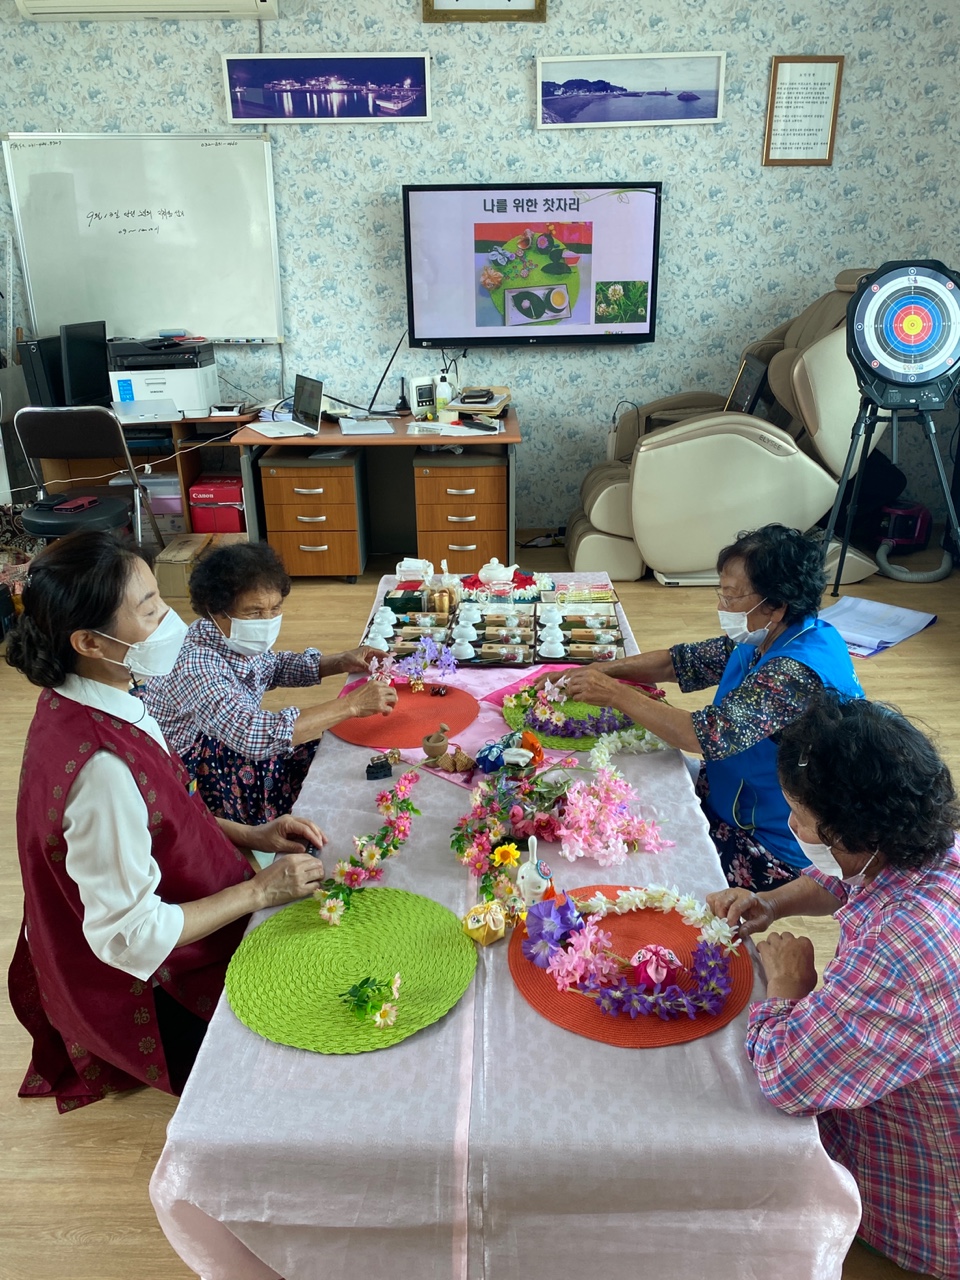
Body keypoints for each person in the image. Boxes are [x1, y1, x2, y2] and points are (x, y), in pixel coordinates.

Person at [6, 531, 328, 1111]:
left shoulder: (106, 694)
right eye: (149, 608)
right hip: (149, 982)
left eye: (160, 598)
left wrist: (249, 834)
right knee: (301, 1059)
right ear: (90, 641)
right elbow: (131, 938)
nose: (171, 620)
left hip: (186, 898)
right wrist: (258, 889)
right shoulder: (99, 769)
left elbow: (169, 801)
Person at [707, 694, 960, 1280]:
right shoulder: (923, 845)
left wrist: (789, 986)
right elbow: (843, 878)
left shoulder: (901, 952)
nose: (791, 824)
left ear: (846, 827)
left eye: (797, 813)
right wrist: (770, 902)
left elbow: (786, 1078)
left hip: (926, 1204)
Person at [542, 524, 862, 890]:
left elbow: (703, 736)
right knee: (621, 790)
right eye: (721, 592)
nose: (720, 606)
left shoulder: (792, 673)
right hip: (732, 791)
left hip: (771, 838)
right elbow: (679, 663)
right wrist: (598, 669)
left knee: (630, 860)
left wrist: (614, 693)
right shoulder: (770, 634)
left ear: (776, 605)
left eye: (731, 596)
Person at [141, 541, 397, 824]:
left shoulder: (225, 637)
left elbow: (273, 667)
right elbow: (255, 736)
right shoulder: (196, 665)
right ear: (215, 610)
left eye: (275, 609)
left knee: (343, 759)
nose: (267, 621)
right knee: (335, 780)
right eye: (254, 612)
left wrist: (340, 661)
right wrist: (350, 705)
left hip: (237, 746)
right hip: (207, 777)